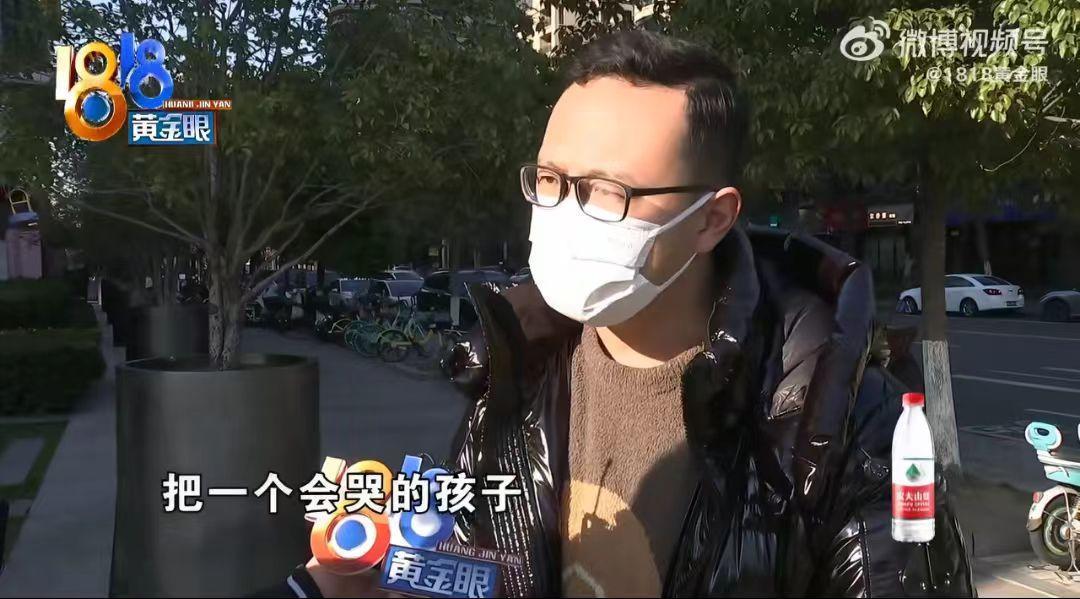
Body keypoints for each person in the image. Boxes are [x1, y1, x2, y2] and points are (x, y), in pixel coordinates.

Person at [265, 30, 973, 597]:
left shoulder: (839, 424)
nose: (563, 213)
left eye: (607, 191)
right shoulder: (512, 375)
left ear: (712, 218)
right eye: (550, 179)